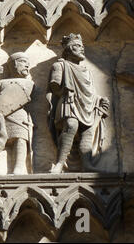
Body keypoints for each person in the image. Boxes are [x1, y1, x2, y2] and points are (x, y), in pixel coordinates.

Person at [47, 33, 110, 174]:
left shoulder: (86, 71)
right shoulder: (60, 65)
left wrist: (100, 100)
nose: (82, 49)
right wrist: (64, 89)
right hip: (69, 101)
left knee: (87, 132)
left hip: (87, 104)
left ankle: (87, 164)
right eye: (78, 46)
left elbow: (90, 90)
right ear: (69, 49)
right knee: (71, 125)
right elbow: (54, 86)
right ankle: (59, 163)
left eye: (83, 47)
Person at [0, 52, 34, 174]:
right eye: (23, 62)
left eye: (28, 63)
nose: (27, 66)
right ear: (14, 64)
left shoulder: (29, 83)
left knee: (20, 140)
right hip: (0, 117)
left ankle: (18, 167)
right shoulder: (1, 83)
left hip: (20, 115)